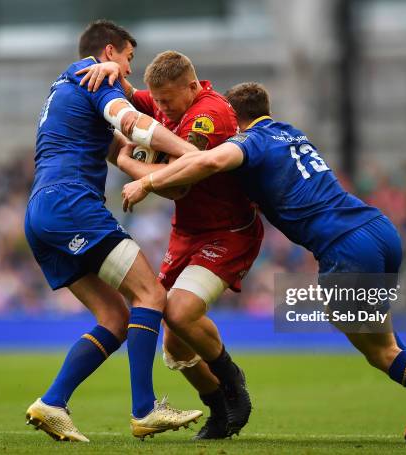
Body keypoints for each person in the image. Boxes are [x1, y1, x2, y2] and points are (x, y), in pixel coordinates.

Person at [120, 82, 406, 446]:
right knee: (383, 337)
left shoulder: (249, 142)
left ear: (234, 118)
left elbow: (208, 161)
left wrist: (148, 182)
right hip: (378, 230)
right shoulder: (290, 132)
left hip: (346, 247)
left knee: (383, 353)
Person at [23, 20, 203, 442]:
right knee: (151, 295)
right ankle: (145, 409)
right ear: (109, 53)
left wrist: (152, 172)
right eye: (128, 59)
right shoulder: (93, 77)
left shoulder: (64, 88)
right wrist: (191, 154)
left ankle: (52, 402)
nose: (128, 71)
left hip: (41, 211)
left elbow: (121, 151)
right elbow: (133, 123)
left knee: (115, 316)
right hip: (71, 205)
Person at [77, 51, 263, 438]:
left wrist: (131, 168)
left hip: (227, 233)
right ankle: (217, 409)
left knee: (178, 311)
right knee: (175, 345)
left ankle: (233, 385)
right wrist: (111, 68)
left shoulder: (209, 115)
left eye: (166, 101)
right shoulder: (166, 100)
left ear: (192, 87)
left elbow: (178, 183)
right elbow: (130, 94)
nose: (160, 108)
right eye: (157, 100)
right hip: (188, 232)